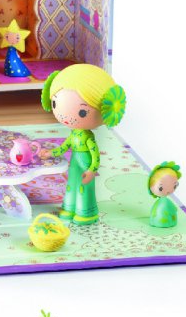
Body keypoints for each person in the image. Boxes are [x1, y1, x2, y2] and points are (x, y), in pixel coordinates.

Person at [37, 64, 127, 225]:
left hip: (85, 162)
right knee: (71, 184)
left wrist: (92, 170)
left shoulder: (88, 138)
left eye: (82, 112)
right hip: (75, 162)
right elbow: (64, 147)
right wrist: (50, 153)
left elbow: (95, 155)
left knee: (84, 187)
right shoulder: (74, 134)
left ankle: (86, 212)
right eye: (55, 104)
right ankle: (69, 208)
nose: (65, 117)